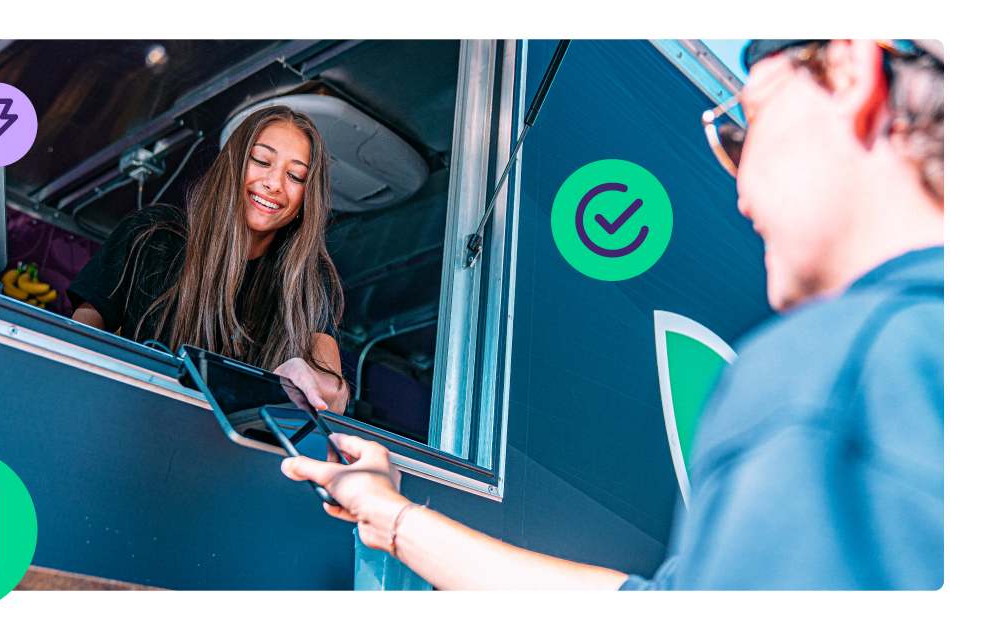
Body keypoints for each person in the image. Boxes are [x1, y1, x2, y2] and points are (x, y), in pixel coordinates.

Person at [279, 39, 944, 589]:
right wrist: (389, 515)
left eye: (746, 125)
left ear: (855, 76)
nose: (738, 187)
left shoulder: (844, 367)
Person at [67, 106, 349, 414]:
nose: (274, 184)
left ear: (306, 198)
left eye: (295, 176)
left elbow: (335, 395)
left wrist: (304, 375)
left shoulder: (306, 279)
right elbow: (78, 342)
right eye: (261, 160)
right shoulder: (153, 234)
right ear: (233, 163)